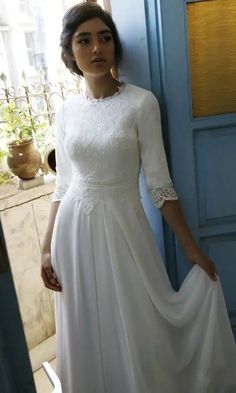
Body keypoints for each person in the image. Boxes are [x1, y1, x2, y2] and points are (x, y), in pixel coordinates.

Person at [41, 2, 236, 392]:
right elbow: (63, 182)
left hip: (123, 229)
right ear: (70, 52)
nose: (97, 48)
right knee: (87, 321)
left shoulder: (141, 103)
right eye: (85, 40)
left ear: (115, 46)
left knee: (136, 319)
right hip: (72, 233)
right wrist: (46, 247)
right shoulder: (66, 112)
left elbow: (159, 184)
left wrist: (190, 248)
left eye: (105, 38)